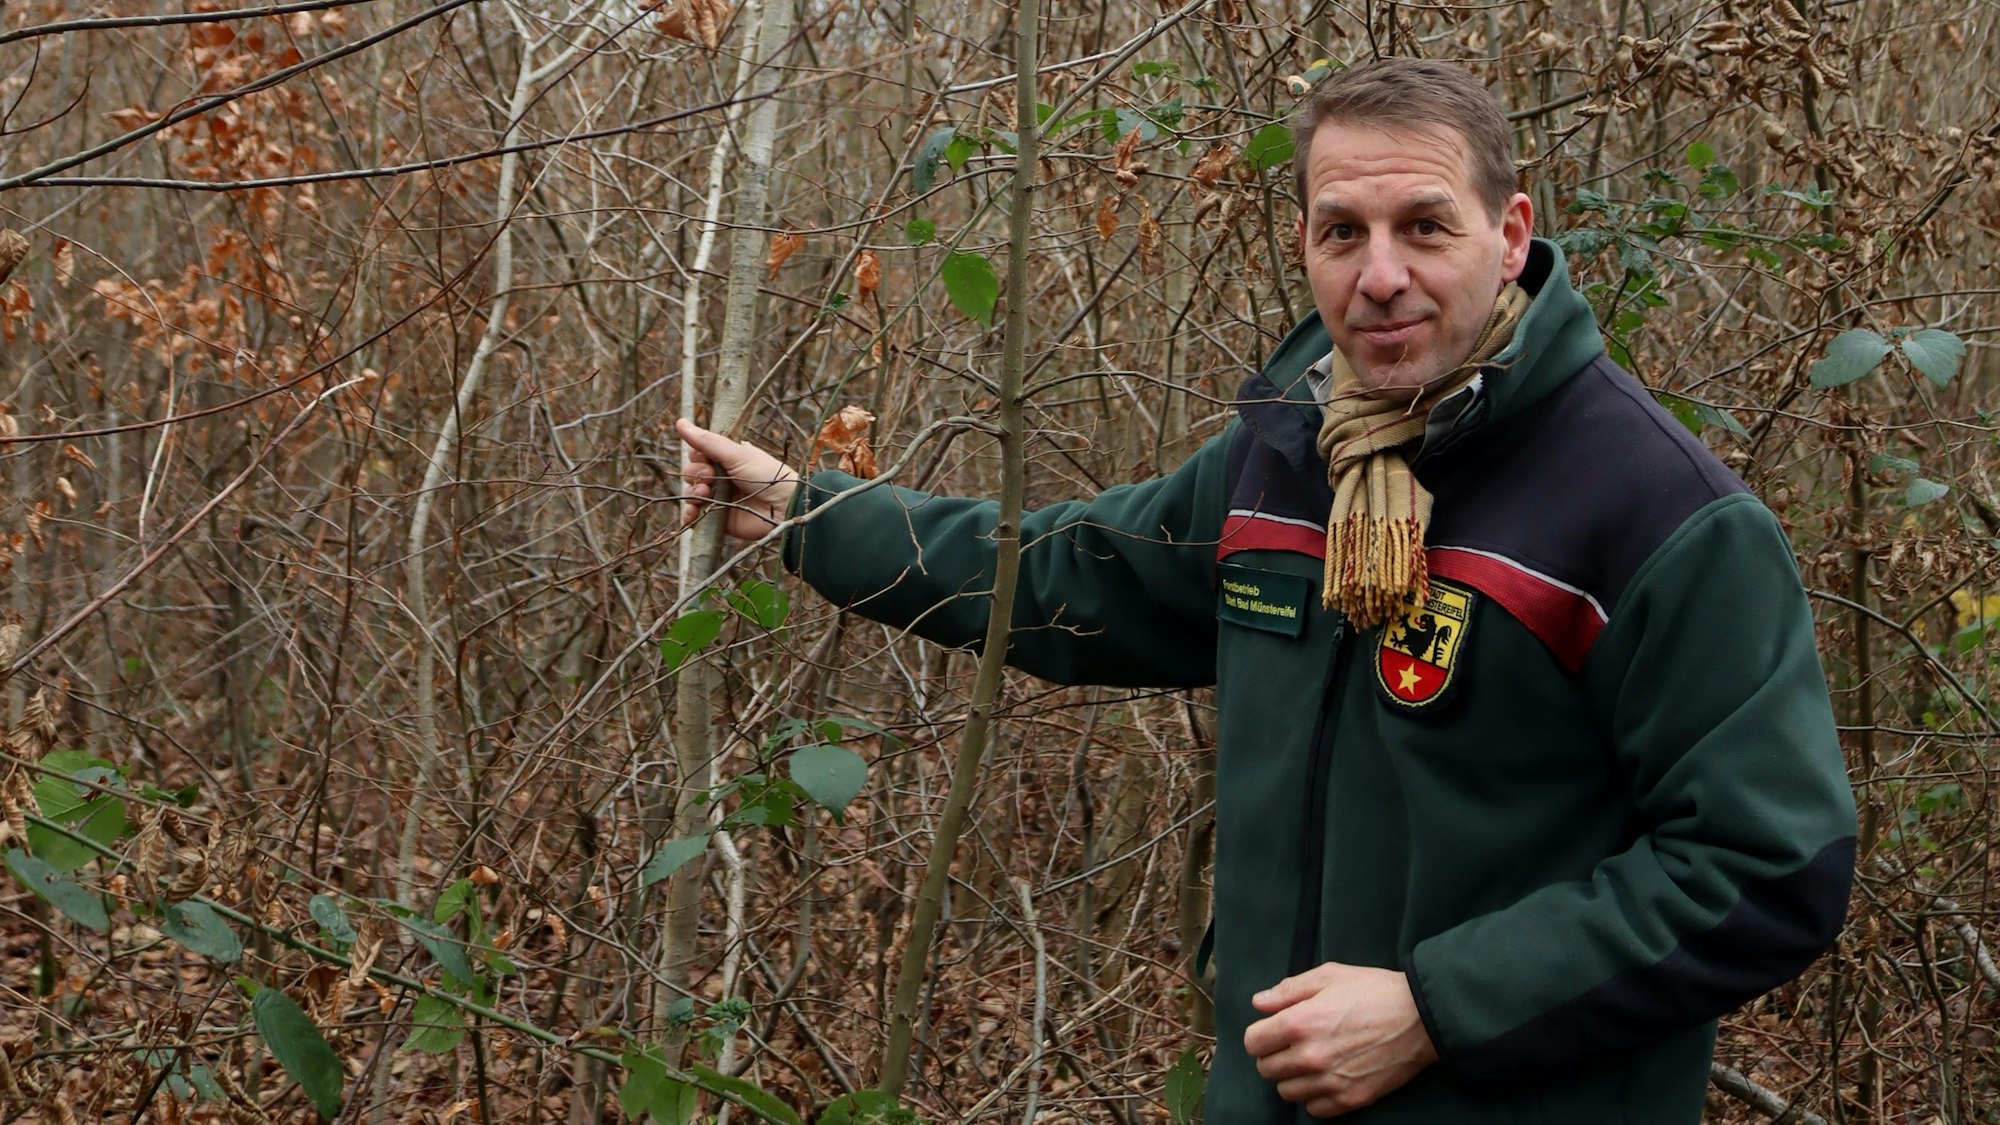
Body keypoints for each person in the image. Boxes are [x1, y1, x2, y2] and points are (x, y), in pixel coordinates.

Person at [677, 58, 1856, 1125]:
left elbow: (1766, 865)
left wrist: (1436, 1008)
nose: (1379, 275)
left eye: (1422, 226)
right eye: (1340, 231)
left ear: (1509, 233)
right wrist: (807, 514)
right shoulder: (1282, 455)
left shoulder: (1654, 512)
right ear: (1302, 241)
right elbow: (1066, 574)